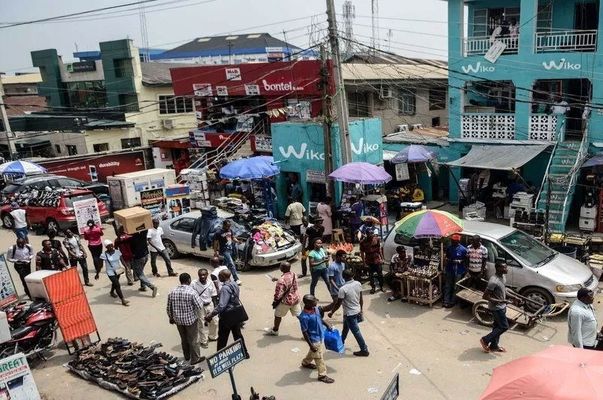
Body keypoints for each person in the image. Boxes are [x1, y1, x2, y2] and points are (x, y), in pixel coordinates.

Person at [204, 269, 249, 356]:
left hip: (227, 315)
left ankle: (220, 356)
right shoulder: (234, 284)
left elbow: (221, 305)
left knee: (222, 338)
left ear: (223, 277)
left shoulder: (225, 288)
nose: (219, 278)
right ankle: (245, 353)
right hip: (235, 313)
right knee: (238, 335)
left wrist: (211, 315)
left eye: (220, 276)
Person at [328, 269, 369, 357]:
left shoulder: (343, 289)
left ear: (343, 277)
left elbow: (338, 304)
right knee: (345, 328)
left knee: (356, 332)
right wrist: (361, 309)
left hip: (350, 314)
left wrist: (331, 312)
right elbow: (361, 298)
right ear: (352, 276)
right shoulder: (358, 283)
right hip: (355, 311)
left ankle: (364, 349)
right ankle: (341, 342)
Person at [167, 273, 204, 364]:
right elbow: (199, 305)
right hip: (190, 320)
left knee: (184, 339)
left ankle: (187, 356)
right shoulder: (192, 292)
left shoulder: (172, 292)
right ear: (189, 280)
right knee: (193, 340)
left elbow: (168, 307)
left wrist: (171, 317)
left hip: (178, 321)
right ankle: (195, 359)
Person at [298, 294, 335, 384]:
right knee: (319, 358)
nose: (316, 302)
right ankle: (322, 375)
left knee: (314, 352)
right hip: (313, 339)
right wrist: (310, 345)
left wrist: (327, 325)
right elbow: (305, 332)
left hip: (319, 335)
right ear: (308, 304)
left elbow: (320, 319)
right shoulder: (304, 317)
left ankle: (305, 363)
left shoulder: (316, 309)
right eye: (314, 302)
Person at [480, 260, 512, 353]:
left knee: (497, 326)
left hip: (502, 306)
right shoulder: (493, 281)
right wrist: (502, 301)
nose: (506, 269)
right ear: (498, 268)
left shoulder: (503, 277)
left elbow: (503, 290)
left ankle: (494, 346)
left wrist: (513, 296)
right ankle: (485, 340)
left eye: (506, 267)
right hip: (496, 308)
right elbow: (485, 296)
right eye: (504, 267)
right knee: (504, 327)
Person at [266, 262, 300, 336]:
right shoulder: (294, 274)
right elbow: (289, 281)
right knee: (300, 316)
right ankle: (308, 331)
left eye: (280, 266)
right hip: (295, 299)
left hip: (286, 301)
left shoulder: (281, 280)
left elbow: (278, 294)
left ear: (282, 269)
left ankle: (275, 330)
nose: (280, 267)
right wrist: (277, 279)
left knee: (278, 315)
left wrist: (275, 302)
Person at [191, 268, 218, 349]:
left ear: (207, 275)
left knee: (215, 321)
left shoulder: (210, 283)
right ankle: (204, 341)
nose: (202, 276)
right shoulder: (194, 283)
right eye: (200, 275)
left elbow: (214, 295)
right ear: (198, 275)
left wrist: (216, 307)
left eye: (204, 275)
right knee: (202, 324)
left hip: (210, 305)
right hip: (200, 306)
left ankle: (213, 336)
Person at [100, 239, 129, 307]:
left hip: (118, 270)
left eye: (111, 245)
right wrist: (98, 273)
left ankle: (111, 292)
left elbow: (122, 260)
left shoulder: (117, 252)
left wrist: (126, 267)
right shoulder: (104, 255)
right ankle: (122, 300)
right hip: (110, 272)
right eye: (108, 246)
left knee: (115, 283)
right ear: (106, 247)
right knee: (117, 285)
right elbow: (100, 265)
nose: (111, 247)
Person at [130, 230, 158, 298]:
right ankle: (143, 287)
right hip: (146, 256)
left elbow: (132, 250)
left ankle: (152, 287)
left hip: (138, 258)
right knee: (141, 271)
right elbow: (145, 228)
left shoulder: (132, 238)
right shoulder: (143, 234)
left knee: (139, 274)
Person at [213, 220, 241, 285]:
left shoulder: (230, 230)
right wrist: (215, 251)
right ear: (224, 225)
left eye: (229, 226)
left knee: (225, 266)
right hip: (224, 250)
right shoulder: (218, 232)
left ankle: (220, 276)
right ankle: (236, 279)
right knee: (231, 264)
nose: (228, 227)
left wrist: (237, 241)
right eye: (227, 226)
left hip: (230, 249)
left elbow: (232, 237)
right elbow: (215, 242)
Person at [443, 234, 467, 308]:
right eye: (452, 240)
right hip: (449, 269)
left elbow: (466, 260)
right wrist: (447, 261)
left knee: (456, 286)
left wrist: (460, 261)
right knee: (448, 285)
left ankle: (453, 301)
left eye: (454, 241)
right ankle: (446, 300)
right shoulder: (449, 248)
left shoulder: (463, 249)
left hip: (458, 270)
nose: (452, 242)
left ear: (458, 241)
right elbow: (447, 257)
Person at [359, 229, 384, 294]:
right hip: (369, 260)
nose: (371, 235)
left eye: (372, 234)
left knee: (380, 274)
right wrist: (364, 262)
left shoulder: (377, 239)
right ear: (367, 234)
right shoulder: (363, 242)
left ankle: (381, 286)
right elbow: (362, 252)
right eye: (369, 234)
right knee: (371, 275)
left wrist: (382, 258)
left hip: (377, 260)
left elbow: (379, 250)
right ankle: (373, 287)